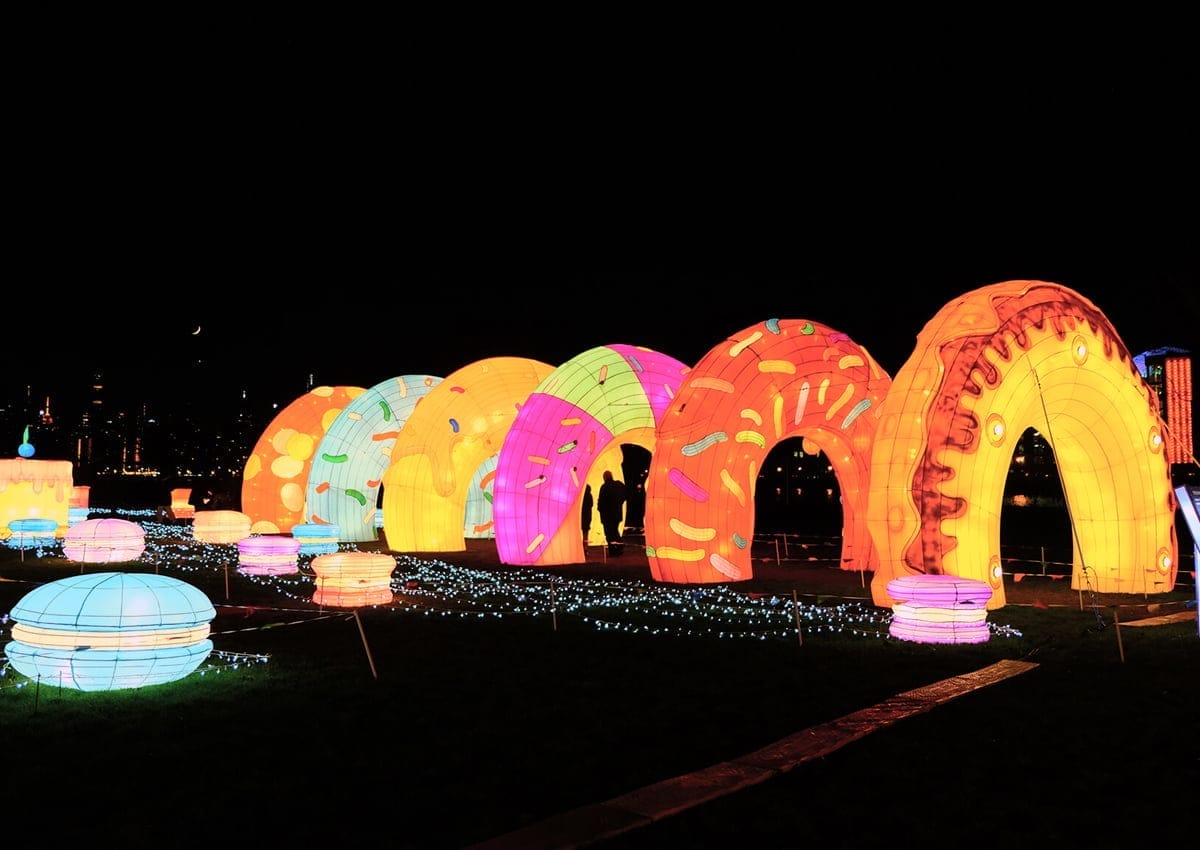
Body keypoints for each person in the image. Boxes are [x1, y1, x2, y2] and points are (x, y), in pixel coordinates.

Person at [596, 469, 627, 556]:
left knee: (609, 533)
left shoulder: (604, 487)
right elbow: (626, 493)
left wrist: (600, 509)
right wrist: (619, 502)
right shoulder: (618, 485)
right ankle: (618, 547)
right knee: (614, 531)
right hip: (616, 513)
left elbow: (601, 501)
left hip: (607, 515)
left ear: (604, 478)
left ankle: (614, 550)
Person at [580, 483, 594, 548]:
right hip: (588, 516)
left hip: (581, 516)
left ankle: (581, 547)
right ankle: (585, 547)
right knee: (586, 531)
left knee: (581, 531)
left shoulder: (581, 496)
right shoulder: (589, 496)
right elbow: (591, 505)